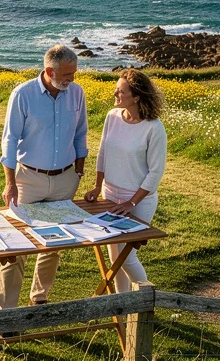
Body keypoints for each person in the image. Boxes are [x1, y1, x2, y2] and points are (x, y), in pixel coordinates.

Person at [0, 44, 89, 310]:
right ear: (49, 71)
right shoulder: (22, 94)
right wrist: (10, 183)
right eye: (67, 74)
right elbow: (9, 140)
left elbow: (81, 133)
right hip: (29, 179)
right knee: (17, 246)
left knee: (56, 241)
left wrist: (79, 170)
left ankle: (39, 298)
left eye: (74, 73)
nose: (72, 79)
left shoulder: (77, 93)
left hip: (65, 179)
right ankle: (6, 314)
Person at [84, 68, 166, 294]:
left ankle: (145, 302)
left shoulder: (153, 128)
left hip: (139, 201)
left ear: (137, 97)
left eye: (121, 91)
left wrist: (131, 203)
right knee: (115, 259)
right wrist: (97, 186)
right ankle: (121, 304)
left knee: (127, 258)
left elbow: (155, 173)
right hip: (110, 195)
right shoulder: (112, 117)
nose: (115, 94)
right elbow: (103, 153)